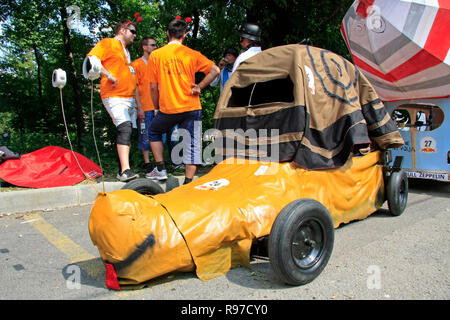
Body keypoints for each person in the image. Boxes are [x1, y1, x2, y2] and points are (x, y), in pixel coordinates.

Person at [147, 18, 220, 184]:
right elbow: (215, 70)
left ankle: (161, 168)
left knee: (154, 131)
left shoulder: (156, 55)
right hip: (191, 107)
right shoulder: (191, 54)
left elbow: (152, 87)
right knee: (191, 144)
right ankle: (188, 182)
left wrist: (156, 107)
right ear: (184, 35)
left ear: (167, 33)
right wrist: (199, 86)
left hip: (168, 108)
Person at [87, 20, 139, 182]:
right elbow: (92, 60)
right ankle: (125, 171)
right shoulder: (108, 43)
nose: (135, 35)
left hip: (129, 98)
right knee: (125, 128)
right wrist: (109, 75)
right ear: (123, 30)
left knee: (129, 131)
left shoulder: (126, 51)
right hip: (114, 96)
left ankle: (122, 169)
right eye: (132, 31)